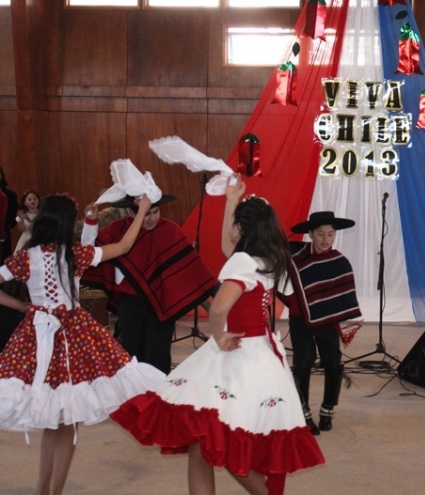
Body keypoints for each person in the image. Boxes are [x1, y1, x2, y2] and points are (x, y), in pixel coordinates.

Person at [111, 179, 325, 495]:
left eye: (235, 222)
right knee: (202, 445)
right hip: (262, 355)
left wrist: (219, 336)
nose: (231, 230)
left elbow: (219, 307)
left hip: (237, 354)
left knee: (221, 444)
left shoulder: (243, 261)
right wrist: (231, 200)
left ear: (243, 228)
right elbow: (229, 248)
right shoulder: (269, 258)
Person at [0, 193, 165, 495]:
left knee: (54, 421)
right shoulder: (74, 255)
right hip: (74, 337)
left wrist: (22, 307)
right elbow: (124, 246)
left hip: (37, 337)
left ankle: (43, 490)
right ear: (65, 224)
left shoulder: (27, 257)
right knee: (67, 421)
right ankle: (52, 492)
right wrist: (140, 211)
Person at [81, 194, 219, 374]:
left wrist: (212, 297)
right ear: (131, 212)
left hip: (162, 303)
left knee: (158, 355)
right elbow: (88, 253)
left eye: (155, 212)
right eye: (147, 214)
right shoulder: (118, 229)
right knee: (132, 354)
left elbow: (191, 268)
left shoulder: (169, 229)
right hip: (130, 303)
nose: (152, 217)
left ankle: (158, 395)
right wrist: (90, 222)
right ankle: (136, 397)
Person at [282, 211, 362, 434]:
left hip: (327, 320)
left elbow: (342, 295)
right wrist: (294, 303)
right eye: (320, 234)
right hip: (300, 320)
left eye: (330, 234)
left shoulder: (339, 261)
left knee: (333, 362)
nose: (326, 240)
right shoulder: (295, 256)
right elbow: (280, 280)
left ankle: (328, 410)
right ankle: (303, 413)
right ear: (310, 233)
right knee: (303, 363)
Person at [0, 166, 19, 262]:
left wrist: (8, 225)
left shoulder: (9, 195)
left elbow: (15, 213)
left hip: (3, 231)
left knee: (3, 259)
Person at [14, 189, 41, 254]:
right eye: (29, 199)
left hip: (39, 238)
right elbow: (21, 229)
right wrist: (22, 219)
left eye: (35, 199)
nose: (33, 201)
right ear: (25, 203)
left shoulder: (42, 214)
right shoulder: (23, 214)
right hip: (25, 239)